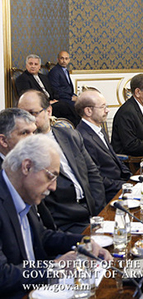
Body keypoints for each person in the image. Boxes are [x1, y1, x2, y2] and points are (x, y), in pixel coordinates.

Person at [0, 135, 112, 299]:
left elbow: (41, 237)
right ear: (27, 167)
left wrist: (84, 243)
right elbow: (3, 277)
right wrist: (56, 267)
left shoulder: (24, 193)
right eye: (50, 176)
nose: (53, 187)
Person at [18, 90, 106, 233]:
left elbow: (93, 173)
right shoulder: (24, 150)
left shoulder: (70, 135)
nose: (27, 119)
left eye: (33, 113)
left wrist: (99, 212)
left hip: (91, 211)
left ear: (48, 111)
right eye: (22, 114)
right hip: (64, 222)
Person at [75, 89, 132, 202]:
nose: (107, 110)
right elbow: (96, 178)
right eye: (102, 107)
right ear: (88, 111)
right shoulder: (83, 137)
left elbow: (115, 158)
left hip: (120, 185)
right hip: (108, 194)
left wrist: (131, 178)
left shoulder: (98, 130)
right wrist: (124, 185)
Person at [15, 54, 79, 125]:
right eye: (30, 64)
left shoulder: (43, 77)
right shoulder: (22, 79)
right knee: (64, 106)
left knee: (70, 107)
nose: (33, 66)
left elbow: (52, 90)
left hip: (52, 102)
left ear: (39, 67)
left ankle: (74, 127)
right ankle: (79, 127)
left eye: (36, 64)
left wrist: (55, 99)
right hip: (40, 107)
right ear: (26, 65)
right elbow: (28, 97)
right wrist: (47, 103)